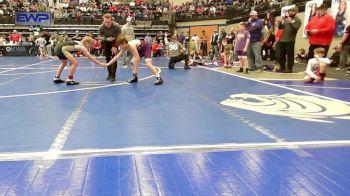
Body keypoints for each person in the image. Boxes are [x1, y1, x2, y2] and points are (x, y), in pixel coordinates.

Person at [99, 13, 122, 82]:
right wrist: (106, 39)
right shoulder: (101, 27)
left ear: (111, 21)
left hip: (115, 41)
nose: (107, 24)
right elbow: (99, 37)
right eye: (105, 22)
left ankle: (113, 75)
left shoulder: (116, 26)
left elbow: (120, 37)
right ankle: (109, 74)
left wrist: (115, 46)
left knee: (114, 58)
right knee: (107, 58)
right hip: (106, 42)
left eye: (108, 22)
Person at [278, 6, 302, 73]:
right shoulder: (286, 19)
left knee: (290, 56)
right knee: (281, 55)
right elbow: (280, 27)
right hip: (282, 40)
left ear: (296, 12)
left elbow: (295, 28)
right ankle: (282, 67)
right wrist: (282, 21)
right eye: (289, 11)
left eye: (292, 11)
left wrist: (291, 22)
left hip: (290, 40)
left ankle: (289, 69)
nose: (290, 12)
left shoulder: (298, 20)